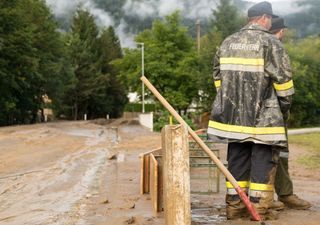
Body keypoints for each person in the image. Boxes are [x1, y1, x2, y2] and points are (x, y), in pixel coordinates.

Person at [207, 1, 294, 220]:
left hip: (232, 119)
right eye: (271, 18)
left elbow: (218, 78)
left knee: (236, 161)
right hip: (263, 120)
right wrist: (282, 110)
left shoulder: (227, 42)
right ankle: (258, 211)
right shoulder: (270, 42)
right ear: (265, 18)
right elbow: (284, 85)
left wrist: (229, 102)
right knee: (262, 163)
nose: (271, 22)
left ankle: (235, 207)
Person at [270, 17, 312, 210]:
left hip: (276, 112)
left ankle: (285, 193)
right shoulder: (273, 49)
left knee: (281, 155)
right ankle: (264, 199)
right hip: (268, 113)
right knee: (262, 156)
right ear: (280, 31)